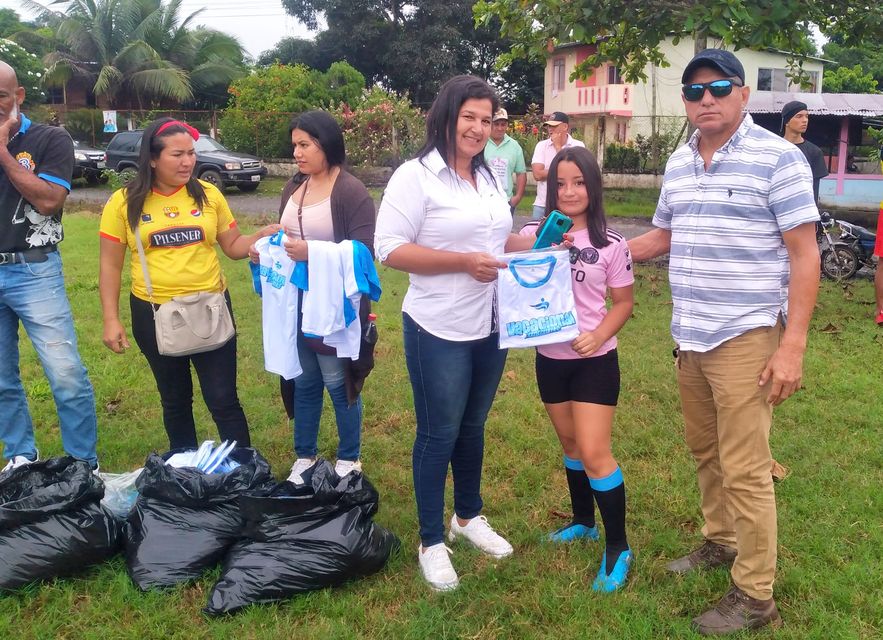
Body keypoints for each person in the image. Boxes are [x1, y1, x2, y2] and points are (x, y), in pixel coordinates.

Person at [628, 49, 819, 635]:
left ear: (743, 94)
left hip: (746, 336)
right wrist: (595, 251)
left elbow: (804, 254)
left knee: (746, 468)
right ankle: (722, 539)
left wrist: (792, 346)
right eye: (694, 91)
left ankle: (756, 596)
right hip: (690, 334)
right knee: (706, 451)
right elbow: (661, 236)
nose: (705, 99)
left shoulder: (778, 158)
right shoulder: (680, 161)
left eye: (718, 87)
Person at [375, 75, 537, 592]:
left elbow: (495, 240)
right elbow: (389, 248)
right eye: (470, 116)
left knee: (473, 426)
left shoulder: (487, 176)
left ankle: (466, 517)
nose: (478, 128)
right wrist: (462, 262)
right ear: (446, 116)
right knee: (438, 432)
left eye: (487, 120)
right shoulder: (415, 176)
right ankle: (430, 540)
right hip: (438, 325)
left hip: (490, 321)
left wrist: (533, 240)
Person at [99, 118, 279, 451]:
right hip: (154, 313)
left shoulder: (209, 195)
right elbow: (110, 266)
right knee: (175, 399)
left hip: (212, 308)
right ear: (153, 158)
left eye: (191, 153)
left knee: (223, 398)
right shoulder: (123, 202)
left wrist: (258, 238)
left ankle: (243, 467)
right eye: (177, 154)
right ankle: (185, 469)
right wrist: (111, 319)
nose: (187, 162)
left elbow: (232, 245)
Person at [519, 147, 634, 591]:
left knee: (593, 451)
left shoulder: (612, 243)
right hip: (550, 361)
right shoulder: (535, 233)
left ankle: (618, 547)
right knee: (569, 443)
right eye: (561, 183)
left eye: (579, 182)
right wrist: (541, 246)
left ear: (593, 186)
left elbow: (623, 304)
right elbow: (506, 253)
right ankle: (583, 521)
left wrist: (599, 335)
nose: (569, 192)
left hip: (594, 362)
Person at [258, 110, 376, 482]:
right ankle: (304, 456)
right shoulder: (293, 187)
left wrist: (313, 252)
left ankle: (349, 457)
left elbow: (365, 253)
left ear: (326, 144)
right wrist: (267, 245)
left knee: (338, 381)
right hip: (294, 300)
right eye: (294, 145)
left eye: (305, 145)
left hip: (334, 304)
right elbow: (286, 237)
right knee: (304, 380)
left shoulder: (350, 191)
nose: (297, 153)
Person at [0, 61, 99, 473]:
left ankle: (82, 463)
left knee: (65, 372)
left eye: (0, 97)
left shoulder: (50, 139)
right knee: (1, 378)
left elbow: (48, 201)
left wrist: (2, 151)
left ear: (18, 96)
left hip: (33, 270)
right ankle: (20, 455)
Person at [531, 111, 585, 220]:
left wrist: (558, 147)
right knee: (536, 231)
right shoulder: (541, 146)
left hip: (567, 202)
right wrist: (563, 172)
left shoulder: (578, 145)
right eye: (549, 126)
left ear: (565, 127)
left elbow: (577, 173)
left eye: (554, 126)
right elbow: (537, 175)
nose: (550, 129)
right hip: (543, 204)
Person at [781, 100, 828, 202]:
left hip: (802, 206)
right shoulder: (775, 148)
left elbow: (814, 189)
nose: (805, 120)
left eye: (806, 116)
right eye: (799, 116)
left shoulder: (814, 152)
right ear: (787, 121)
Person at [484, 107, 527, 215]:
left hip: (506, 201)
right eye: (496, 124)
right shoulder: (481, 143)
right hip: (483, 200)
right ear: (490, 124)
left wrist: (518, 197)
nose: (500, 128)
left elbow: (521, 173)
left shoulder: (514, 146)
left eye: (503, 124)